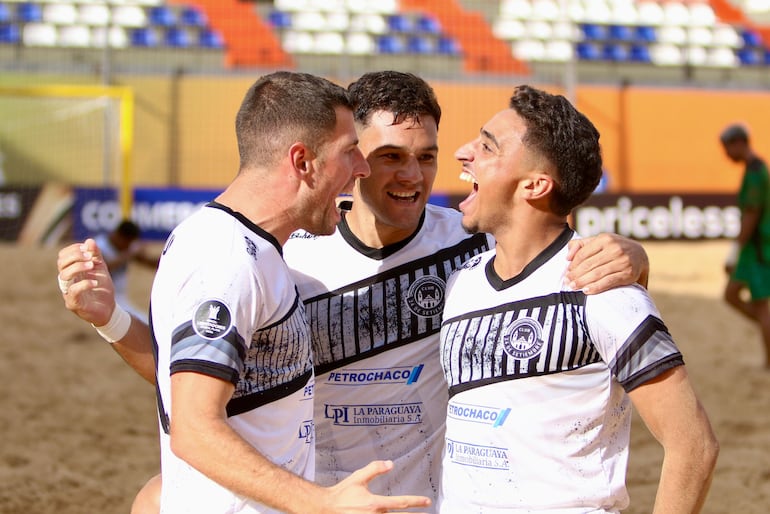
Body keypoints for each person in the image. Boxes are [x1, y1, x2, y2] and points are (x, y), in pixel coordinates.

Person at [57, 72, 650, 513]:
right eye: (386, 156)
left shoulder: (471, 249)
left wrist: (632, 256)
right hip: (320, 499)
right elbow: (200, 387)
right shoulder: (287, 257)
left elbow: (552, 258)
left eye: (426, 158)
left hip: (425, 503)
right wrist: (113, 322)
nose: (411, 176)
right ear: (353, 163)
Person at [59, 71, 433, 514]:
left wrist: (112, 319)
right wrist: (320, 502)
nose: (362, 167)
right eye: (350, 151)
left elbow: (204, 381)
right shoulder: (228, 259)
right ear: (302, 161)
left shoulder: (252, 249)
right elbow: (195, 429)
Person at [438, 85, 719, 512]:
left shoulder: (602, 289)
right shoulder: (462, 282)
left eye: (487, 146)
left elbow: (694, 445)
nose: (463, 152)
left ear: (535, 184)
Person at [719, 123, 770, 369]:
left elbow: (752, 213)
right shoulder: (754, 169)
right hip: (754, 250)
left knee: (761, 306)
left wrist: (734, 253)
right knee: (732, 295)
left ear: (738, 144)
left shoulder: (756, 172)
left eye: (727, 148)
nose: (726, 154)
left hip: (758, 249)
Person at [93, 219, 158, 322]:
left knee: (145, 321)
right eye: (128, 243)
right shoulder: (98, 247)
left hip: (120, 298)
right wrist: (129, 254)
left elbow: (151, 264)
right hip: (100, 299)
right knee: (142, 323)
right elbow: (103, 269)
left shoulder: (127, 249)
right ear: (120, 237)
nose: (128, 246)